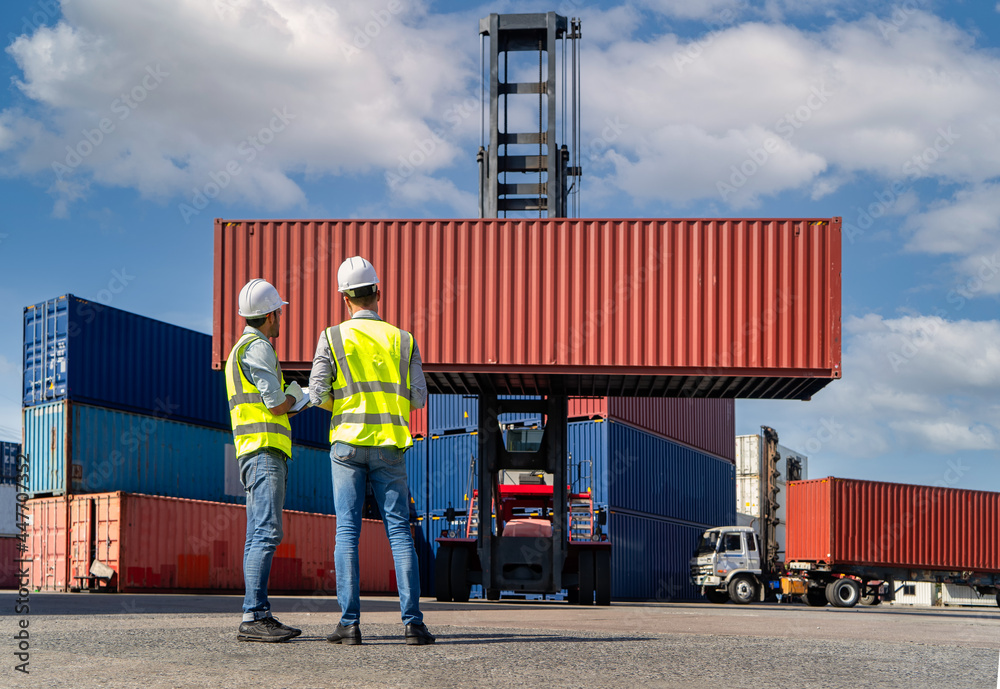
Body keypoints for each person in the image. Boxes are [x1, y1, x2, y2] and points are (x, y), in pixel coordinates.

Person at [309, 256, 434, 646]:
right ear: (378, 292)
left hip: (347, 444)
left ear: (344, 297)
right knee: (399, 532)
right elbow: (418, 398)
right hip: (389, 447)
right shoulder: (404, 339)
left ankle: (349, 625)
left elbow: (316, 394)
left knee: (347, 530)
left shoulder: (331, 337)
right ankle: (413, 624)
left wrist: (346, 406)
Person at [226, 278, 306, 643]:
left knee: (257, 532)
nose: (280, 318)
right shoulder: (258, 348)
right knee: (267, 532)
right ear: (271, 314)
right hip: (263, 451)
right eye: (279, 312)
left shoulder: (239, 349)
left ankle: (254, 612)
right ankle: (255, 616)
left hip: (253, 450)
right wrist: (297, 395)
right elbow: (275, 404)